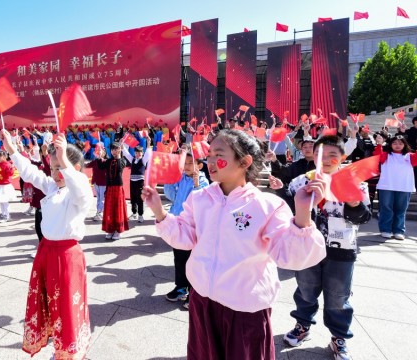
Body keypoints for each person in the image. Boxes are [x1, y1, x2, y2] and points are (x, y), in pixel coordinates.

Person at [142, 129, 326, 359]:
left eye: (219, 154)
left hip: (245, 311)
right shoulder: (200, 199)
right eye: (209, 155)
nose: (209, 161)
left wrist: (302, 215)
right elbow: (184, 237)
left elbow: (291, 256)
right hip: (202, 302)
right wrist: (159, 211)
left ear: (245, 161)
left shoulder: (267, 205)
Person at [0, 129, 93, 360]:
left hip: (66, 256)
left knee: (66, 307)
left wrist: (65, 163)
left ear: (75, 169)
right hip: (47, 252)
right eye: (52, 168)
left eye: (59, 168)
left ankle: (68, 351)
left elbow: (81, 189)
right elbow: (31, 173)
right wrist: (12, 149)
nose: (54, 173)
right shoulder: (54, 187)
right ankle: (59, 347)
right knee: (48, 303)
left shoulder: (78, 193)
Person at [284, 135, 372, 360]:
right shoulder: (301, 181)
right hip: (307, 248)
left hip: (341, 250)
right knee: (305, 290)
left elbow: (363, 218)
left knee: (338, 297)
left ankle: (339, 337)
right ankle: (302, 325)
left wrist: (354, 203)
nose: (327, 159)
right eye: (321, 154)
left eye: (334, 155)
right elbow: (287, 211)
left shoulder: (355, 182)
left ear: (343, 157)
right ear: (314, 156)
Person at [163, 149, 209, 309]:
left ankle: (193, 292)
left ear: (200, 165)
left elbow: (200, 201)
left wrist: (196, 184)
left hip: (192, 226)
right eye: (186, 163)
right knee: (179, 258)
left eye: (191, 163)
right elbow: (171, 196)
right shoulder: (180, 178)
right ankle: (180, 287)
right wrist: (169, 180)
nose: (187, 166)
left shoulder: (203, 182)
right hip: (177, 222)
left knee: (192, 260)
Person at [373, 134, 417, 240]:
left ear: (405, 145)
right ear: (390, 144)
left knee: (401, 209)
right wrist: (379, 144)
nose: (397, 145)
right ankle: (385, 229)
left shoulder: (410, 156)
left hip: (404, 186)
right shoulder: (386, 155)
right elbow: (377, 156)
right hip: (387, 185)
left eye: (400, 143)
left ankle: (398, 230)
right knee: (386, 208)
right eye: (395, 143)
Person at [98, 142, 129, 240]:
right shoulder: (108, 161)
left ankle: (118, 231)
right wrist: (99, 156)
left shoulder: (122, 160)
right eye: (112, 149)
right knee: (109, 209)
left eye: (116, 149)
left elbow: (120, 167)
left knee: (117, 208)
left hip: (118, 188)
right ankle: (110, 229)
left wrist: (119, 155)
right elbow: (100, 166)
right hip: (109, 188)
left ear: (119, 149)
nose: (114, 151)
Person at [122, 142, 152, 223]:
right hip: (132, 182)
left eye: (139, 152)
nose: (138, 154)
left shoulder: (143, 160)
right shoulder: (133, 159)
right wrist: (122, 145)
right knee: (133, 198)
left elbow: (148, 153)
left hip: (140, 182)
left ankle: (140, 215)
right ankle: (134, 213)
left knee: (140, 199)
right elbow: (126, 154)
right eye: (136, 152)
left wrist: (148, 143)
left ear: (142, 153)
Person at [0, 150, 16, 223]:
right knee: (1, 201)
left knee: (5, 201)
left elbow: (10, 174)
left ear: (5, 156)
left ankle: (7, 215)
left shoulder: (7, 164)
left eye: (0, 156)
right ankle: (3, 214)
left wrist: (12, 168)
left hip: (5, 185)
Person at [85, 143, 107, 221]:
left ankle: (100, 213)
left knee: (102, 198)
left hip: (103, 183)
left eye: (100, 150)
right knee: (98, 198)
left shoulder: (106, 161)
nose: (98, 152)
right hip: (96, 182)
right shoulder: (95, 161)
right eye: (97, 150)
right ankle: (98, 212)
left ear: (104, 152)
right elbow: (86, 165)